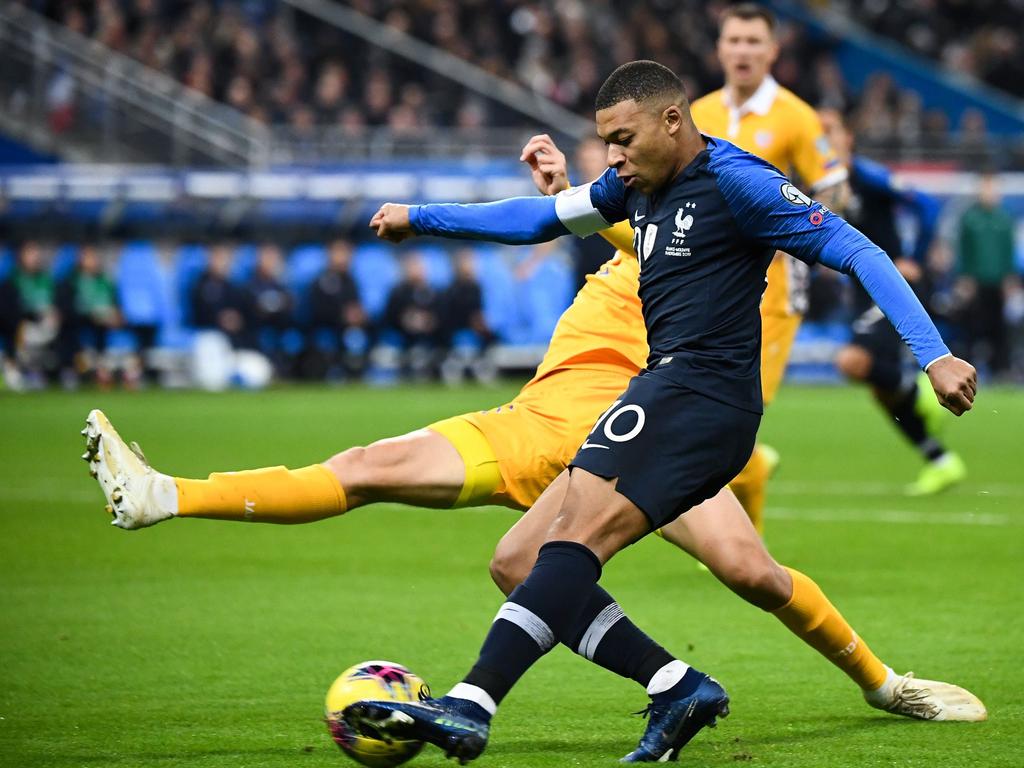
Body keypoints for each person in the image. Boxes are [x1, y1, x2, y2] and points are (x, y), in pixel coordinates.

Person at [81, 60, 983, 764]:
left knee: (573, 551)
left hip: (688, 399)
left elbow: (856, 247)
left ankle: (470, 707)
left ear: (674, 120)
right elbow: (536, 219)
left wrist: (932, 351)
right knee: (526, 559)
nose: (612, 156)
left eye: (623, 138)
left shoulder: (740, 185)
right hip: (652, 403)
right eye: (605, 144)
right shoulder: (638, 192)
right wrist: (425, 218)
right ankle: (675, 685)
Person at [519, 4, 851, 534]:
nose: (742, 51)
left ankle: (739, 540)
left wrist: (812, 221)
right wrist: (568, 198)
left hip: (771, 287)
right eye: (734, 41)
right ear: (719, 49)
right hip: (692, 280)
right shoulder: (692, 113)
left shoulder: (796, 117)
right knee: (704, 413)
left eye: (753, 42)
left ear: (772, 51)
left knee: (735, 409)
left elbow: (832, 186)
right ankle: (737, 535)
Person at [818, 107, 967, 496]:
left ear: (847, 138)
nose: (821, 138)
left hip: (891, 287)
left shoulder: (867, 176)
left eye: (829, 131)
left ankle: (919, 391)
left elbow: (928, 206)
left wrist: (914, 257)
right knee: (880, 389)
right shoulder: (822, 183)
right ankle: (940, 460)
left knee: (851, 362)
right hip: (859, 294)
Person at [956, 170, 1018, 379]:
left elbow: (1008, 250)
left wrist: (1010, 278)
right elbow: (963, 250)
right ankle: (967, 370)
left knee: (999, 329)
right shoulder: (970, 218)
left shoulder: (1004, 219)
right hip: (976, 282)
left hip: (997, 282)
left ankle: (1000, 370)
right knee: (973, 328)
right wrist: (964, 277)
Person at [55, 244, 122, 389]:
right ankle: (71, 370)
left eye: (94, 257)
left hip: (102, 325)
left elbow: (116, 304)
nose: (93, 260)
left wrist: (115, 315)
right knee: (68, 332)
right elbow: (66, 309)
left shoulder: (105, 281)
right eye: (88, 257)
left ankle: (102, 371)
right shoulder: (71, 282)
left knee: (104, 329)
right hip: (76, 323)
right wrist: (91, 315)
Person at [309, 239, 369, 378]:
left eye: (346, 253)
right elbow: (316, 311)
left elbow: (355, 304)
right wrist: (342, 316)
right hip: (326, 328)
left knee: (356, 338)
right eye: (339, 252)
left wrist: (359, 315)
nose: (343, 257)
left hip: (347, 329)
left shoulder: (350, 281)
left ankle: (354, 375)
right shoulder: (320, 281)